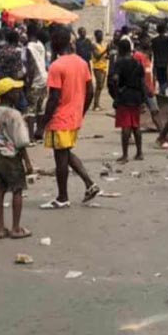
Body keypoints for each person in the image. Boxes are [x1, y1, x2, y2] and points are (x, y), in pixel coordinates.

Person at [38, 27, 99, 209]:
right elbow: (90, 90)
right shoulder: (81, 62)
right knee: (66, 153)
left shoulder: (57, 66)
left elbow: (54, 97)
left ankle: (63, 196)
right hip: (74, 117)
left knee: (60, 158)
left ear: (56, 43)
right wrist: (82, 111)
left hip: (60, 118)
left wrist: (42, 124)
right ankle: (89, 184)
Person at [0, 78, 33, 239]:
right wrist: (27, 162)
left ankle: (0, 228)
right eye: (15, 91)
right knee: (17, 190)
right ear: (7, 94)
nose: (18, 93)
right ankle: (16, 228)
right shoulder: (15, 115)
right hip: (12, 156)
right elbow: (20, 142)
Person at [109, 40, 149, 163]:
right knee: (136, 125)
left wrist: (116, 95)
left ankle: (125, 155)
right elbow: (143, 83)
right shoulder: (138, 63)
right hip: (136, 96)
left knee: (125, 126)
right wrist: (143, 99)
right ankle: (139, 153)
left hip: (124, 96)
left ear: (120, 49)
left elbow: (114, 79)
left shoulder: (118, 63)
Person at [25, 27, 48, 140]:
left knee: (31, 110)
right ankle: (39, 133)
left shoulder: (29, 47)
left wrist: (28, 83)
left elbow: (31, 66)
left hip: (35, 80)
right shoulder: (41, 45)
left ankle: (30, 137)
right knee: (41, 108)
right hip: (44, 78)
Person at [151, 23, 168, 97]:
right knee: (166, 79)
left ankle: (161, 92)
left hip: (157, 62)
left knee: (160, 79)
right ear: (164, 30)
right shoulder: (167, 39)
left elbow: (153, 51)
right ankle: (163, 92)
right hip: (166, 62)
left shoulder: (154, 40)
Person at [91, 30, 109, 110]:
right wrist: (105, 50)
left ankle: (97, 103)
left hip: (104, 66)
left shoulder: (103, 45)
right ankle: (95, 104)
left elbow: (104, 56)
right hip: (97, 67)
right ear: (96, 36)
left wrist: (108, 55)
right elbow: (97, 56)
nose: (101, 37)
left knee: (101, 86)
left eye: (101, 35)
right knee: (99, 86)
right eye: (99, 35)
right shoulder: (94, 45)